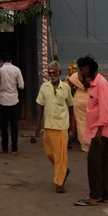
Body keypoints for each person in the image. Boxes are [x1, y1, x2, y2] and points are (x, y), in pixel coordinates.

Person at [74, 57, 108, 207]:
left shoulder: (101, 83)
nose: (82, 72)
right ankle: (105, 194)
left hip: (100, 131)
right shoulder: (94, 83)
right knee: (103, 162)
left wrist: (99, 130)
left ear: (88, 68)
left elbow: (105, 109)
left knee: (93, 161)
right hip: (97, 129)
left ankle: (95, 195)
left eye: (82, 69)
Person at [35, 62, 75, 193]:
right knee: (50, 153)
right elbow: (40, 107)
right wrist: (38, 125)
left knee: (61, 156)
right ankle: (63, 171)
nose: (52, 75)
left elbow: (71, 107)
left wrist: (70, 125)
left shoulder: (66, 88)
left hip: (61, 126)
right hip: (48, 125)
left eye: (54, 72)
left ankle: (59, 182)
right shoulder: (44, 87)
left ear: (59, 73)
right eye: (50, 72)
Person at [0, 52, 25, 154]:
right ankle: (14, 148)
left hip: (2, 99)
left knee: (4, 125)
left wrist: (1, 88)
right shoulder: (17, 70)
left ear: (1, 61)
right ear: (11, 60)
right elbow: (21, 85)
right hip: (14, 99)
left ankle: (5, 148)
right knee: (14, 125)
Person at [67, 65, 91, 152]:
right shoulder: (93, 75)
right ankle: (91, 143)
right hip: (90, 99)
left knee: (81, 123)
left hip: (78, 101)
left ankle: (85, 144)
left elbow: (70, 90)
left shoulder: (74, 76)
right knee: (90, 122)